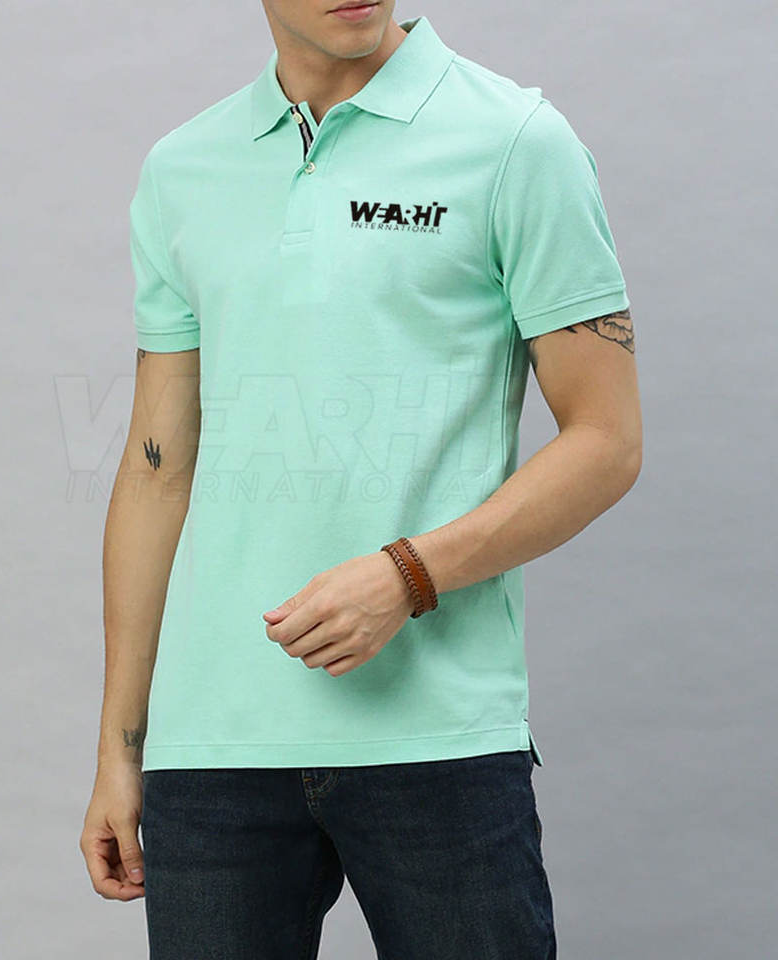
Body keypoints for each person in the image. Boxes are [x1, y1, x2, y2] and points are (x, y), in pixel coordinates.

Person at [80, 3, 641, 958]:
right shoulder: (184, 168)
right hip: (214, 752)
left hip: (437, 740)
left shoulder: (516, 143)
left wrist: (407, 573)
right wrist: (121, 748)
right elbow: (155, 468)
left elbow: (607, 440)